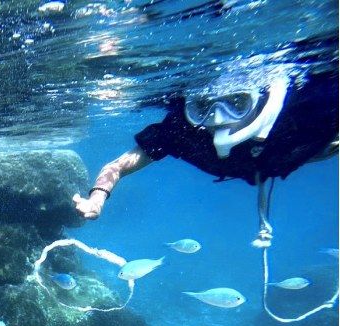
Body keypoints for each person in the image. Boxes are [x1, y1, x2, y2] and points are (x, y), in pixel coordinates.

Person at [73, 66, 339, 248]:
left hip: (298, 153)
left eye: (236, 104)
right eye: (202, 108)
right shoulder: (183, 130)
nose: (217, 117)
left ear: (260, 100)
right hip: (267, 164)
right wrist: (97, 197)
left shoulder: (305, 111)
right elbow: (118, 166)